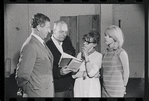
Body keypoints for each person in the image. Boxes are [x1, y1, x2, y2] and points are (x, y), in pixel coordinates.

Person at [15, 13, 54, 97]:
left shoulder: (40, 42)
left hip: (45, 92)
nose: (49, 31)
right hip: (37, 93)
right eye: (47, 27)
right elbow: (22, 75)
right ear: (39, 27)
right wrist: (28, 91)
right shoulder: (30, 45)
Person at [46, 20, 75, 97]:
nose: (64, 34)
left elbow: (72, 52)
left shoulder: (67, 40)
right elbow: (45, 68)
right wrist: (59, 72)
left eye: (66, 32)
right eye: (61, 31)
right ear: (54, 31)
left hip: (69, 86)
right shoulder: (47, 46)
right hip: (57, 88)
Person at [72, 30, 102, 97]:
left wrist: (86, 57)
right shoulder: (79, 54)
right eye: (84, 41)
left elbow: (91, 73)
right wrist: (85, 73)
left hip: (91, 89)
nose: (84, 43)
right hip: (79, 88)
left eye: (88, 42)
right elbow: (73, 74)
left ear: (95, 44)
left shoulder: (98, 56)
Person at [101, 25, 129, 97]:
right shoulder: (105, 52)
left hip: (117, 89)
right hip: (105, 88)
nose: (105, 37)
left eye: (109, 36)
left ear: (115, 39)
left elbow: (126, 72)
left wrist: (124, 86)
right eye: (105, 35)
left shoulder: (121, 53)